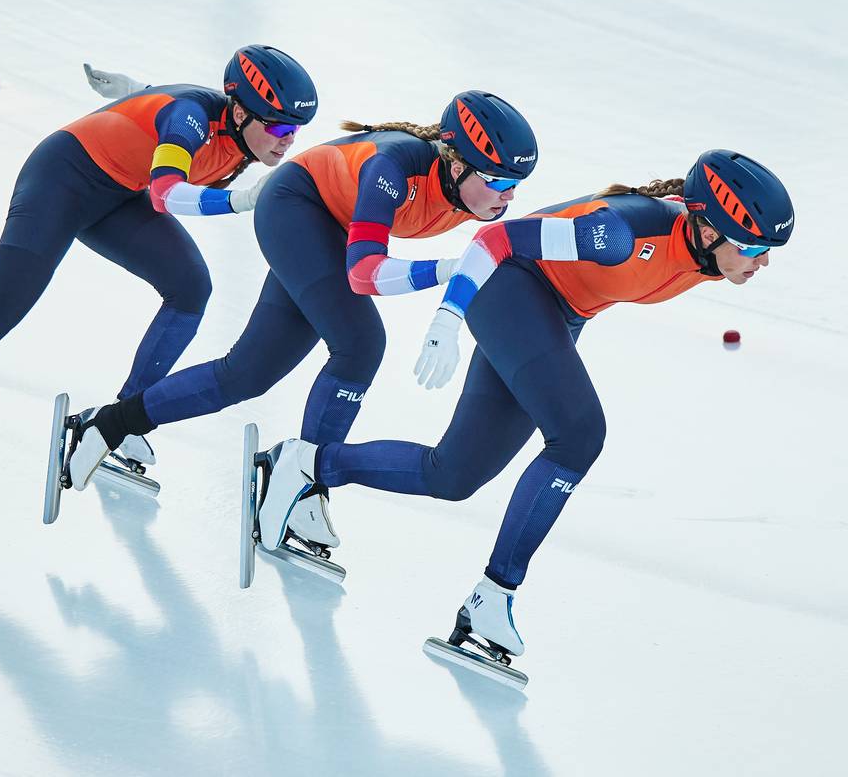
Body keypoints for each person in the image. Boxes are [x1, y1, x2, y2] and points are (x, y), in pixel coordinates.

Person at [251, 149, 795, 661]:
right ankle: (495, 594)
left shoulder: (702, 243)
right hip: (509, 288)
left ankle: (305, 464)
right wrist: (449, 318)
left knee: (455, 474)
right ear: (706, 226)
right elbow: (494, 240)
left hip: (554, 314)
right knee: (579, 434)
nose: (762, 261)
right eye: (750, 247)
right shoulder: (618, 232)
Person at [66, 90, 539, 548]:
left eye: (515, 184)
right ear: (456, 166)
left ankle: (108, 424)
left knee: (248, 373)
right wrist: (448, 272)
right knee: (360, 343)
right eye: (498, 181)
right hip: (296, 208)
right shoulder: (391, 171)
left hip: (329, 227)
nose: (509, 196)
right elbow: (364, 271)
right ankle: (304, 482)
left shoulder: (466, 190)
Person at [0, 45, 317, 463]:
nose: (288, 141)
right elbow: (164, 191)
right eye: (280, 128)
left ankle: (115, 423)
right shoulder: (191, 120)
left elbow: (170, 115)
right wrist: (242, 200)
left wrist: (137, 97)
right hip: (61, 181)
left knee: (190, 286)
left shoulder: (241, 134)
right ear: (239, 113)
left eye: (296, 131)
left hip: (118, 194)